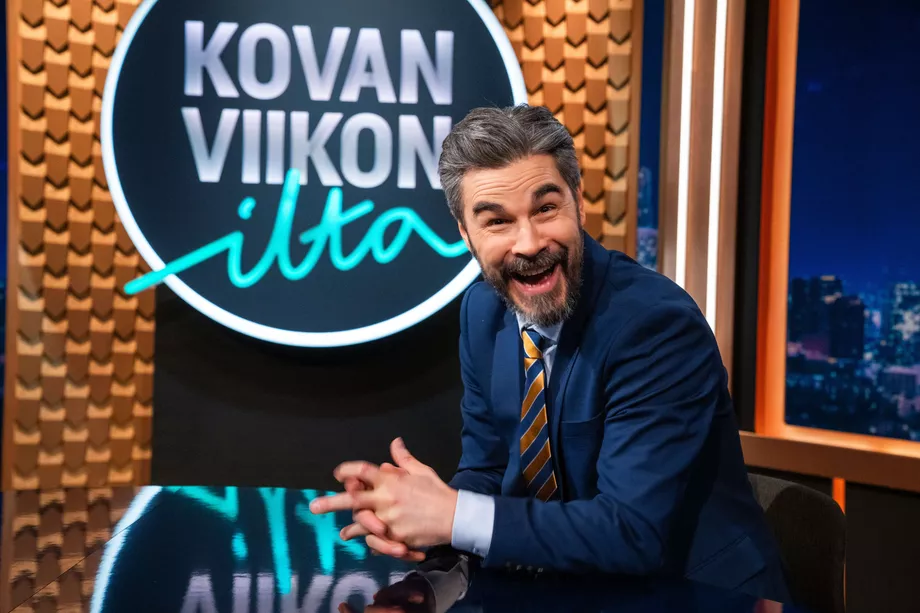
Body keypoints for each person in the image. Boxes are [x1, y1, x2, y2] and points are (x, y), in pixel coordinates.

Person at [310, 105, 790, 604]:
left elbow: (633, 532)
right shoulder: (482, 311)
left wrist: (452, 515)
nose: (529, 243)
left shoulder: (655, 325)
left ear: (578, 202)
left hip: (696, 596)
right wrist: (425, 522)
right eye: (497, 221)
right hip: (570, 591)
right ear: (465, 234)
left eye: (545, 209)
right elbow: (489, 468)